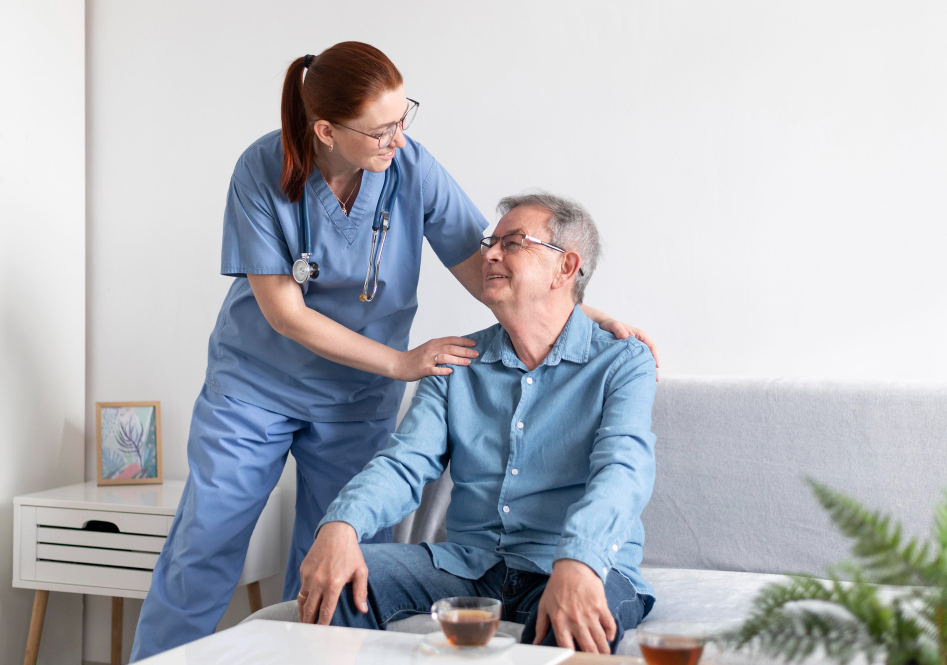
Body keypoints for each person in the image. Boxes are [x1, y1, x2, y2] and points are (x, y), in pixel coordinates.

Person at [131, 42, 658, 661]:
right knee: (204, 547)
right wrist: (404, 363)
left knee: (331, 567)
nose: (398, 138)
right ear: (326, 130)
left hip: (355, 401)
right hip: (258, 388)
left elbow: (487, 264)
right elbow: (284, 311)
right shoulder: (262, 169)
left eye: (404, 117)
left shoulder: (411, 168)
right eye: (382, 129)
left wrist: (586, 316)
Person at [250, 192, 658, 655]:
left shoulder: (623, 361)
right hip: (469, 564)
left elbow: (623, 469)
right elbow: (404, 463)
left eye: (513, 242)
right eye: (491, 241)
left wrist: (580, 558)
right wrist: (341, 524)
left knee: (567, 628)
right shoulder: (457, 361)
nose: (491, 253)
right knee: (344, 581)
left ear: (565, 268)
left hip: (581, 563)